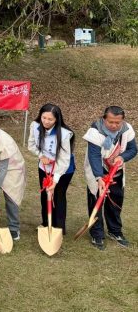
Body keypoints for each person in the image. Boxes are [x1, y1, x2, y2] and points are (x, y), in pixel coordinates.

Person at [84, 106, 137, 250]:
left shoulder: (127, 130)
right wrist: (99, 177)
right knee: (96, 200)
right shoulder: (95, 131)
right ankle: (97, 233)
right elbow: (94, 155)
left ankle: (115, 231)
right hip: (97, 169)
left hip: (116, 169)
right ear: (104, 119)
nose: (114, 125)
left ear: (122, 121)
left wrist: (122, 157)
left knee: (116, 199)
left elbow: (133, 149)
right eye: (110, 122)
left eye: (117, 122)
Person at [28, 104, 75, 234]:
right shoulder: (35, 126)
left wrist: (55, 180)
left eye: (50, 119)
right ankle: (46, 223)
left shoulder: (64, 134)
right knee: (45, 194)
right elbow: (31, 145)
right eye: (44, 117)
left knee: (58, 196)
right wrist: (41, 156)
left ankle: (58, 228)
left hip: (63, 169)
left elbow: (64, 159)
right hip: (44, 167)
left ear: (57, 120)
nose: (46, 121)